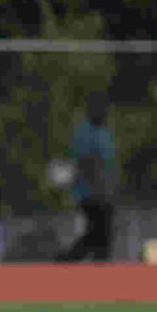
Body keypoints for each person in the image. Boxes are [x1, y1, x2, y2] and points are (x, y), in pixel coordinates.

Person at [57, 93, 117, 263]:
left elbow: (109, 163)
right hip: (90, 193)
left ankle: (66, 261)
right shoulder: (84, 132)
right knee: (99, 235)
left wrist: (111, 188)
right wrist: (99, 192)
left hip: (104, 191)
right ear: (92, 110)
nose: (105, 113)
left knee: (99, 236)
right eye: (102, 110)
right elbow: (87, 165)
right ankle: (65, 261)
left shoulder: (104, 132)